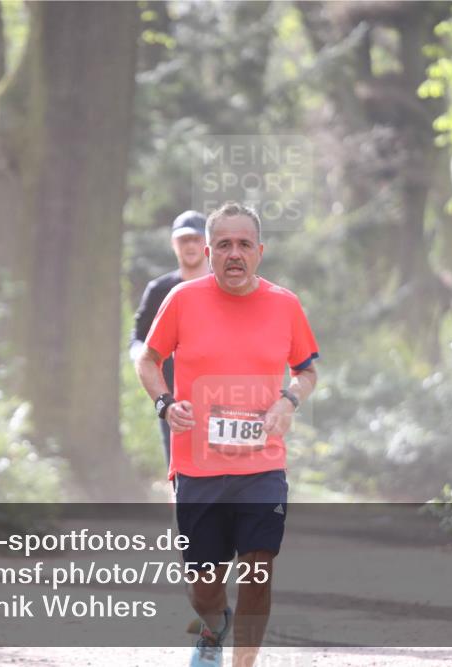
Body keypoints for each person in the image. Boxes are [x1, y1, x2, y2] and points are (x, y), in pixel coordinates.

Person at [135, 202, 319, 667]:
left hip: (262, 464)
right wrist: (164, 403)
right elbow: (148, 360)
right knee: (204, 586)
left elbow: (306, 371)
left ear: (259, 251)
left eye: (243, 244)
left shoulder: (285, 304)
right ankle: (213, 626)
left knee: (258, 569)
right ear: (208, 252)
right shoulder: (182, 299)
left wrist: (288, 401)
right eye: (223, 245)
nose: (234, 253)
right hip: (198, 466)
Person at [129, 211, 210, 467]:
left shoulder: (225, 288)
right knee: (180, 471)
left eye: (196, 239)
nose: (190, 245)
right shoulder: (160, 290)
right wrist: (143, 361)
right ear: (174, 244)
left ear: (208, 243)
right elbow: (138, 339)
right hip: (175, 400)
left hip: (220, 397)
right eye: (184, 240)